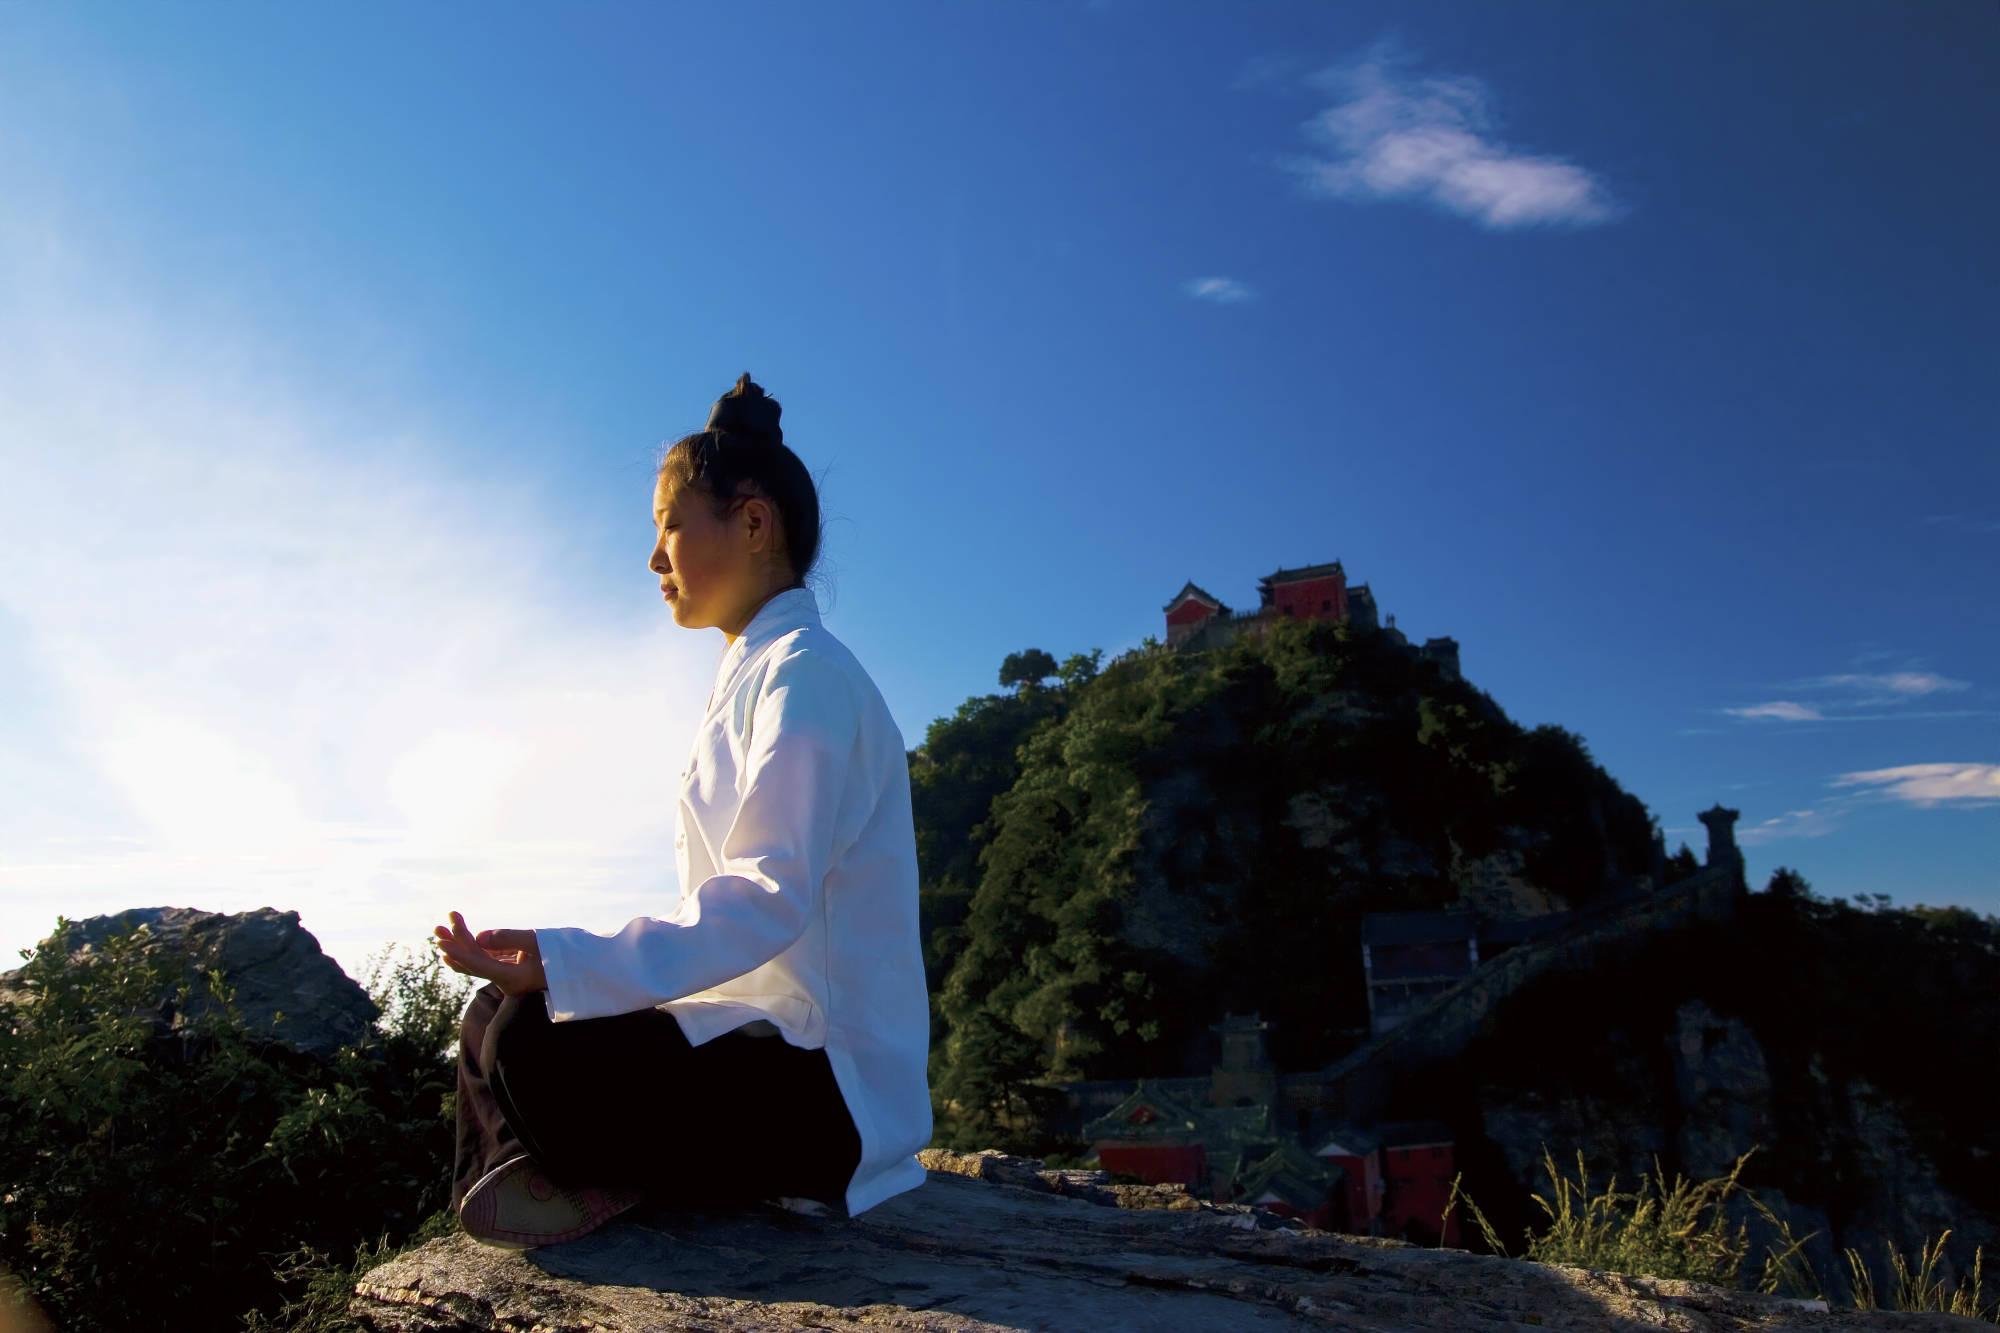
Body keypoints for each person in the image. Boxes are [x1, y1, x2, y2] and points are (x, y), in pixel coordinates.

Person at [435, 372, 932, 1249]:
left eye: (669, 524)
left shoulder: (806, 676)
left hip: (831, 1089)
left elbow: (766, 897)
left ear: (751, 522)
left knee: (524, 1035)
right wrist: (563, 969)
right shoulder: (760, 673)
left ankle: (562, 1172)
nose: (655, 558)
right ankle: (541, 1174)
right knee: (492, 1016)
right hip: (752, 1045)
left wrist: (568, 960)